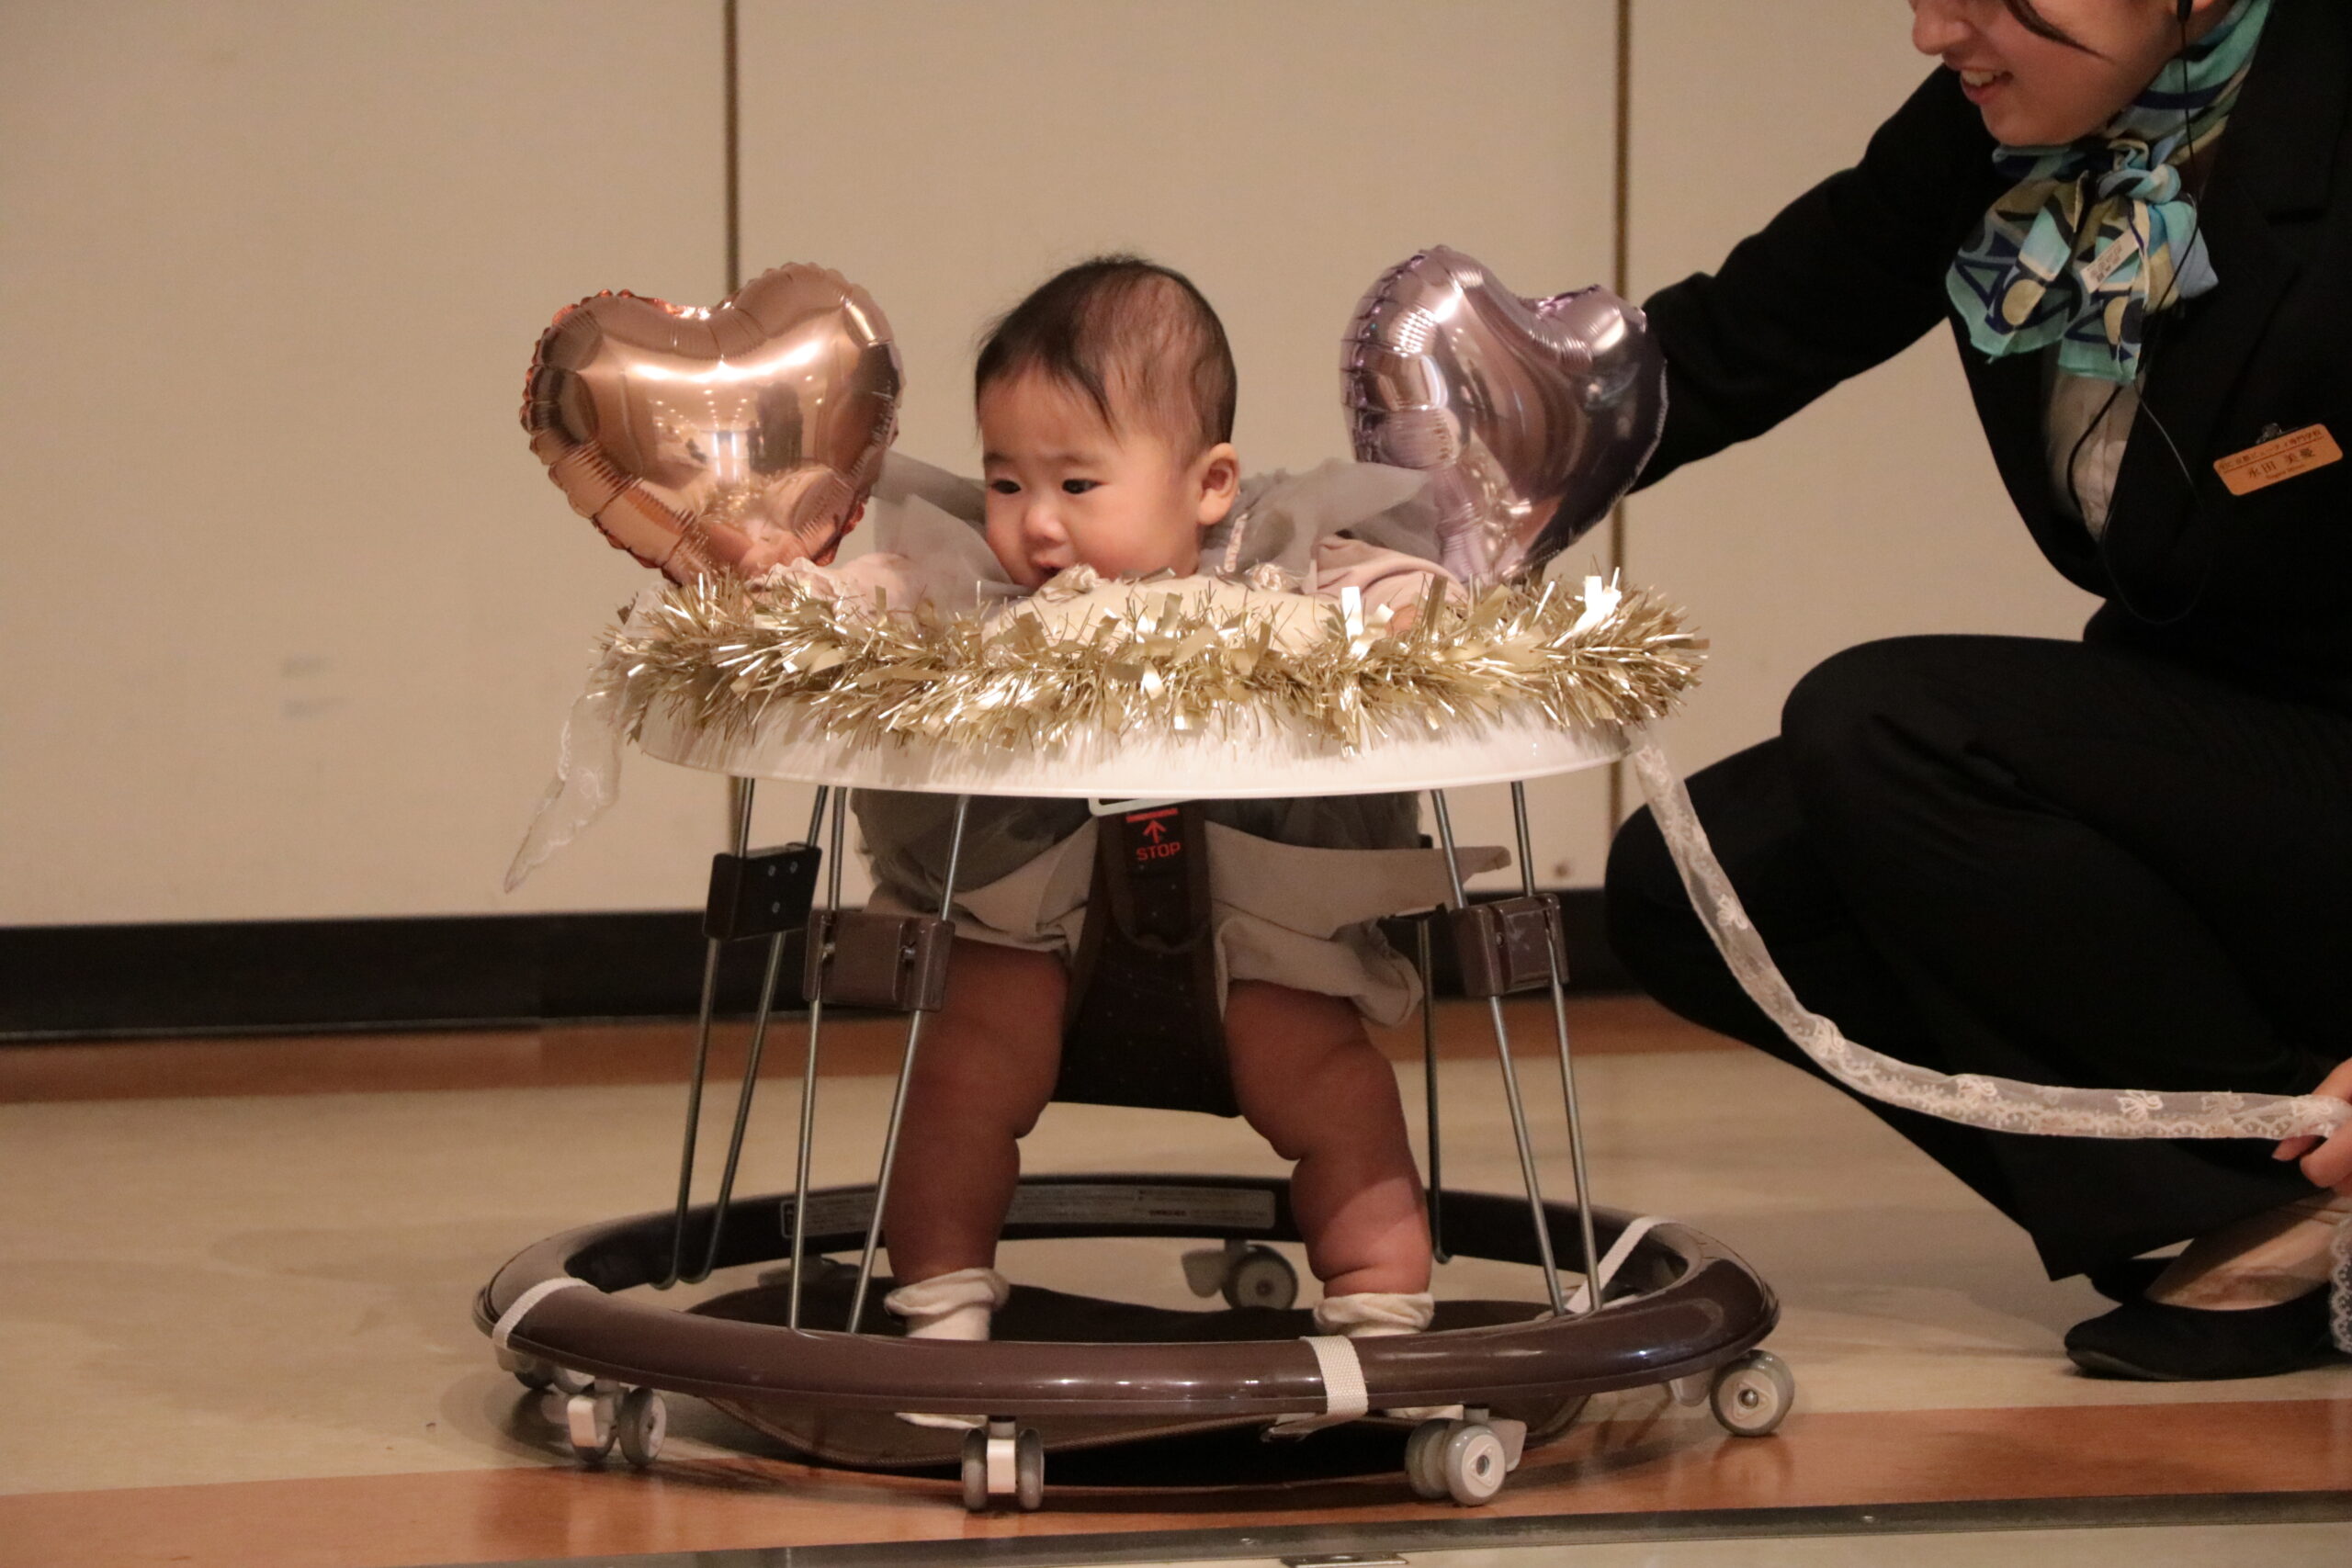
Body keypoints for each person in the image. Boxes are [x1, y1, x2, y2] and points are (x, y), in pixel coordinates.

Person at [1604, 0, 2352, 1382]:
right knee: (1698, 882)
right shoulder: (2019, 121)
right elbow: (1736, 338)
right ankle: (2248, 1206)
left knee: (1890, 722)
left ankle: (2298, 1189)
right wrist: (1427, 501)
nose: (1932, 28)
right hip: (2222, 747)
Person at [795, 257, 1466, 1371]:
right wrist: (795, 597)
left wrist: (1410, 620)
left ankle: (1378, 1309)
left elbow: (1403, 590)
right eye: (1005, 481)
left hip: (1255, 927)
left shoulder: (1273, 561)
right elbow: (870, 599)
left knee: (1340, 1090)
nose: (1035, 523)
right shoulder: (972, 579)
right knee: (958, 1075)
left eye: (1077, 483)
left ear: (1209, 486)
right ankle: (940, 1298)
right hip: (1024, 917)